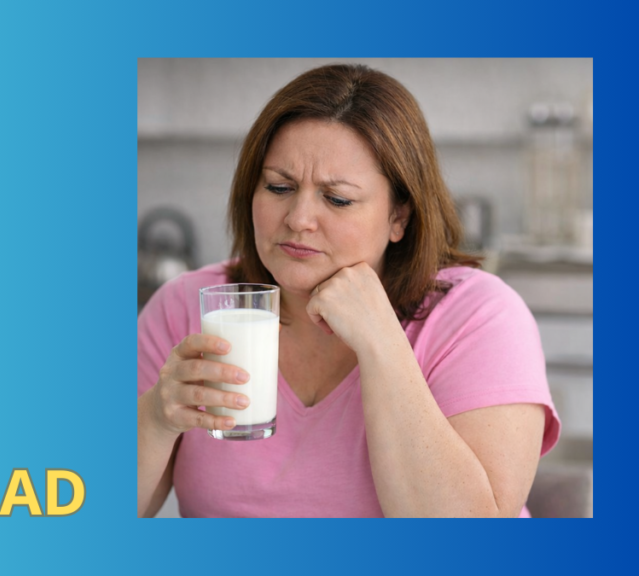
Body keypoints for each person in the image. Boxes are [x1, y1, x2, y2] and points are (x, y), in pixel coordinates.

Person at [137, 64, 560, 518]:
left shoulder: (479, 316)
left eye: (337, 199)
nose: (299, 218)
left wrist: (381, 342)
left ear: (400, 216)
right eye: (279, 187)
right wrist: (155, 420)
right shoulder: (187, 306)